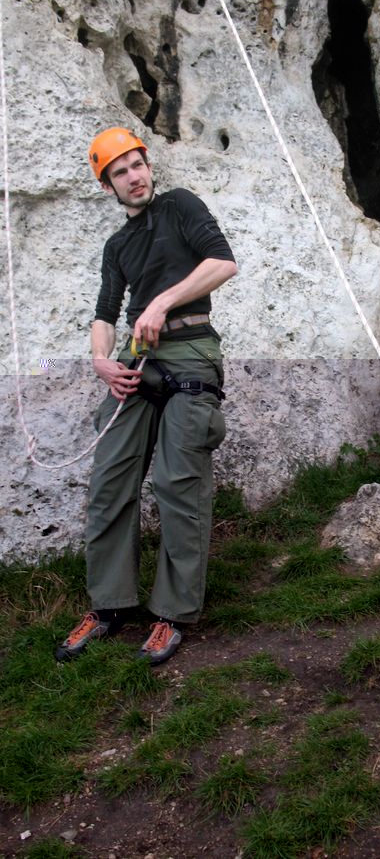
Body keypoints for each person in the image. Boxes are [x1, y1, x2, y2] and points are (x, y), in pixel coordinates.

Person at [56, 127, 237, 666]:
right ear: (107, 185)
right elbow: (104, 312)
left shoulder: (180, 206)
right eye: (121, 172)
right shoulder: (117, 245)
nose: (134, 176)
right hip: (137, 361)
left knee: (178, 483)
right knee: (109, 482)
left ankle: (172, 613)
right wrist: (101, 361)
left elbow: (222, 262)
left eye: (138, 164)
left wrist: (160, 303)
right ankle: (108, 605)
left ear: (148, 165)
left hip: (190, 352)